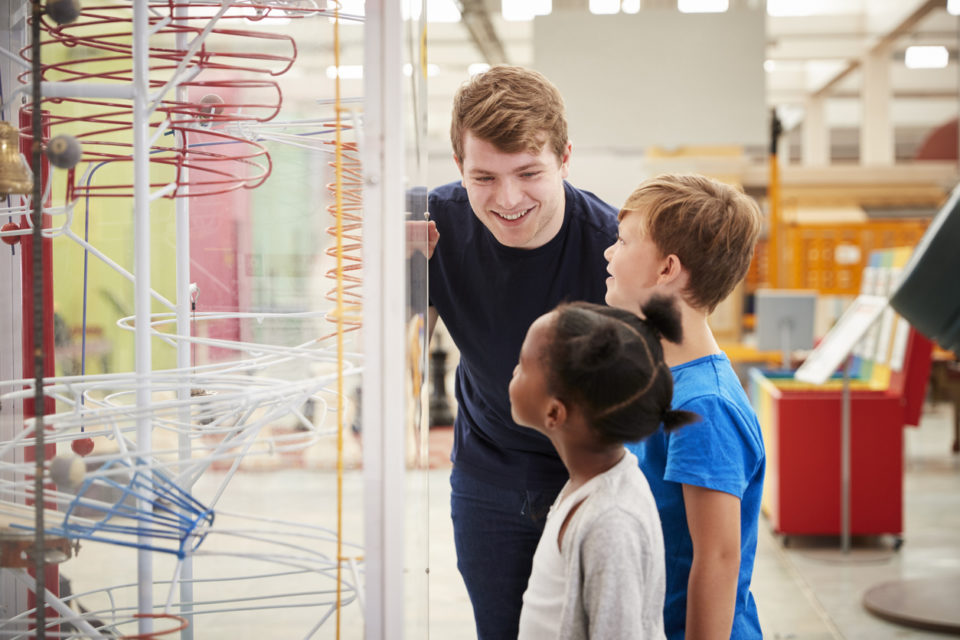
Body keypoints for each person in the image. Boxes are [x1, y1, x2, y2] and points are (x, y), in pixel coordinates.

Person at [426, 64, 618, 639]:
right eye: (483, 177)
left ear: (565, 158)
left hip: (593, 477)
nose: (507, 199)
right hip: (488, 478)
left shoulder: (611, 248)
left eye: (528, 173)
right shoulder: (433, 226)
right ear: (459, 167)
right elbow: (391, 341)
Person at [603, 173, 765, 639]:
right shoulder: (662, 379)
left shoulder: (705, 406)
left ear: (667, 268)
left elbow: (717, 558)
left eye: (623, 241)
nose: (610, 253)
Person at [510, 298, 698, 640]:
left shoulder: (611, 521)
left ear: (554, 413)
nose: (513, 371)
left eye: (523, 365)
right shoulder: (590, 485)